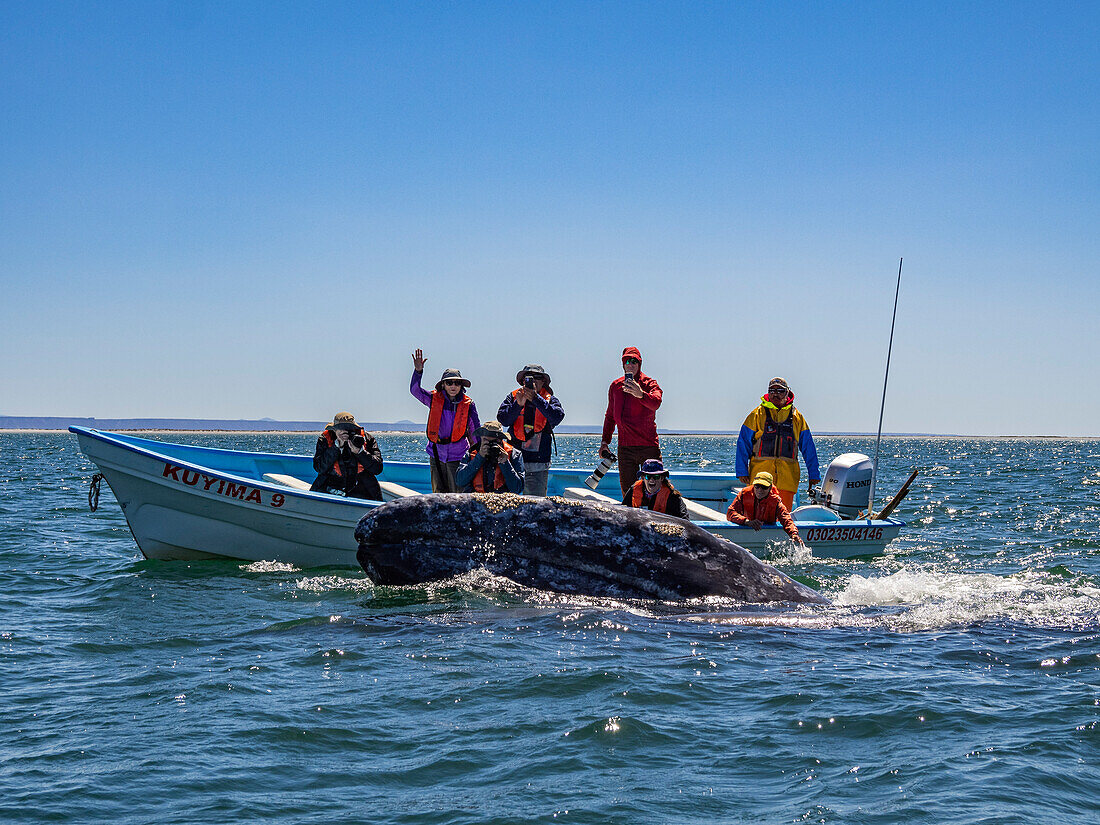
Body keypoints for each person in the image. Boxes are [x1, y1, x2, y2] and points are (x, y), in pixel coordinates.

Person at [735, 376, 820, 510]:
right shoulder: (756, 415)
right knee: (756, 515)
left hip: (787, 480)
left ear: (787, 393)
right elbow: (743, 443)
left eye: (780, 390)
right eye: (772, 390)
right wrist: (741, 471)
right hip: (759, 480)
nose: (776, 394)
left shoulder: (797, 417)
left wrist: (813, 474)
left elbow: (808, 447)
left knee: (783, 516)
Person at [411, 349, 481, 493]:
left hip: (458, 455)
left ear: (461, 386)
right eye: (449, 383)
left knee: (458, 495)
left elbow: (475, 432)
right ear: (443, 385)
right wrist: (418, 372)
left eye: (456, 383)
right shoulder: (433, 399)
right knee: (438, 495)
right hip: (436, 454)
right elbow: (415, 390)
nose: (453, 386)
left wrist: (478, 455)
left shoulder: (469, 405)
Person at [601, 346, 663, 498]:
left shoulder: (649, 384)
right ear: (623, 364)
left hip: (648, 447)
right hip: (625, 449)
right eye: (627, 361)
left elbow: (657, 402)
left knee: (655, 493)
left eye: (634, 361)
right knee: (628, 494)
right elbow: (610, 417)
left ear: (639, 364)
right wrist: (605, 442)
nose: (631, 364)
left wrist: (641, 394)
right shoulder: (615, 386)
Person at [496, 364, 565, 496]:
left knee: (535, 502)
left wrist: (536, 399)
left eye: (537, 377)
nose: (533, 381)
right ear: (523, 381)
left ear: (543, 381)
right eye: (529, 378)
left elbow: (557, 417)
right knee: (510, 500)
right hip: (513, 460)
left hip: (538, 463)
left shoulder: (550, 399)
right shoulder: (513, 397)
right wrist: (518, 405)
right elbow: (503, 419)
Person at [309, 412, 384, 500]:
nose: (344, 431)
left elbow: (377, 469)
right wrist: (336, 447)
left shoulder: (367, 439)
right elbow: (319, 468)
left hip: (361, 490)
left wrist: (360, 452)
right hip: (331, 488)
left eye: (349, 428)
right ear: (334, 430)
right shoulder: (325, 440)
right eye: (340, 428)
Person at [726, 471, 803, 544]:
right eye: (757, 486)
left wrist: (793, 533)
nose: (760, 490)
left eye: (764, 487)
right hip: (746, 529)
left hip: (767, 534)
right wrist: (746, 522)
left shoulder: (775, 502)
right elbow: (730, 513)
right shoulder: (744, 494)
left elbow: (786, 519)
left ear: (770, 488)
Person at [455, 421, 525, 494]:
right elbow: (460, 481)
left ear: (501, 440)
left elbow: (517, 489)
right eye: (486, 440)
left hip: (503, 501)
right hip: (476, 499)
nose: (490, 445)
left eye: (495, 441)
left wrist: (505, 463)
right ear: (481, 438)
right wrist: (479, 457)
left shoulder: (514, 454)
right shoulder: (471, 453)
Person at [622, 458, 688, 519]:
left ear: (662, 478)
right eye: (648, 477)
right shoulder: (633, 490)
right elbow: (623, 512)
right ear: (643, 478)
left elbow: (684, 519)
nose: (652, 480)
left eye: (656, 477)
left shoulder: (672, 496)